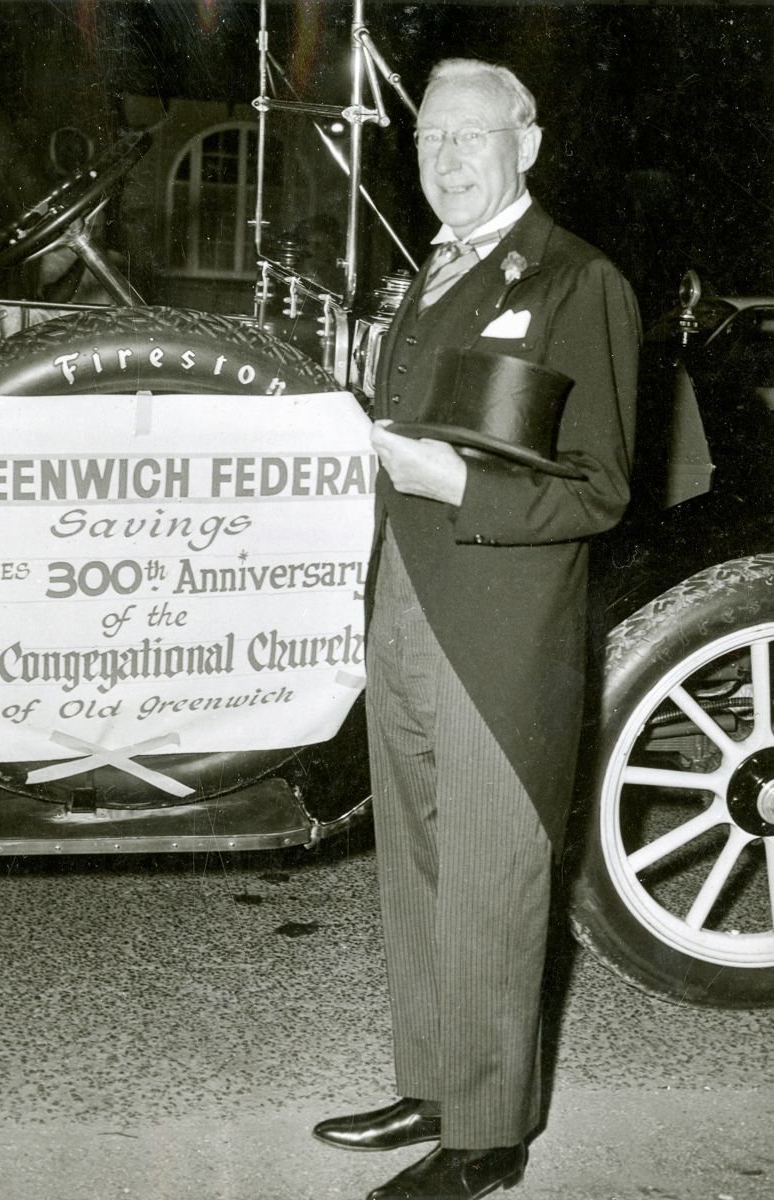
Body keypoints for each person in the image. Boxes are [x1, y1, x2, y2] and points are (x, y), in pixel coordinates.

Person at [311, 58, 640, 1200]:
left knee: (492, 874)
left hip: (499, 630)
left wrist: (454, 484)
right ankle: (432, 1086)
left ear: (526, 144)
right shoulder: (429, 273)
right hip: (401, 606)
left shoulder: (575, 279)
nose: (445, 158)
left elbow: (599, 489)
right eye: (428, 140)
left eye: (469, 135)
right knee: (414, 865)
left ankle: (489, 1138)